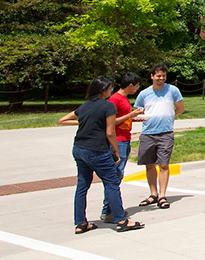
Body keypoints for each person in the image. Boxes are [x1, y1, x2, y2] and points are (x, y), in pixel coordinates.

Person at [58, 76, 145, 233]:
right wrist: (115, 150)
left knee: (82, 185)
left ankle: (81, 223)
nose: (111, 91)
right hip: (97, 150)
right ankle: (121, 220)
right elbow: (110, 132)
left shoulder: (84, 106)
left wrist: (85, 121)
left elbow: (62, 120)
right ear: (103, 90)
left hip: (79, 149)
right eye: (110, 88)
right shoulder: (108, 106)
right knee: (112, 183)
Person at [135, 63, 184, 209]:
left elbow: (180, 109)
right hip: (148, 133)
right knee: (149, 165)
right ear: (152, 76)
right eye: (158, 76)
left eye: (163, 76)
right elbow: (138, 111)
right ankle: (153, 194)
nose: (161, 78)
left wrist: (168, 117)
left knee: (163, 164)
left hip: (166, 133)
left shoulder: (173, 90)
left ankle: (162, 195)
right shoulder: (144, 94)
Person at [99, 73, 144, 223]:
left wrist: (133, 117)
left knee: (117, 176)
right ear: (130, 85)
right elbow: (111, 122)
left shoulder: (123, 99)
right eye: (137, 86)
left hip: (125, 139)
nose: (137, 89)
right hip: (118, 141)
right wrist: (131, 114)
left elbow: (122, 118)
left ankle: (111, 209)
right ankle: (108, 211)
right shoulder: (115, 99)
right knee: (114, 177)